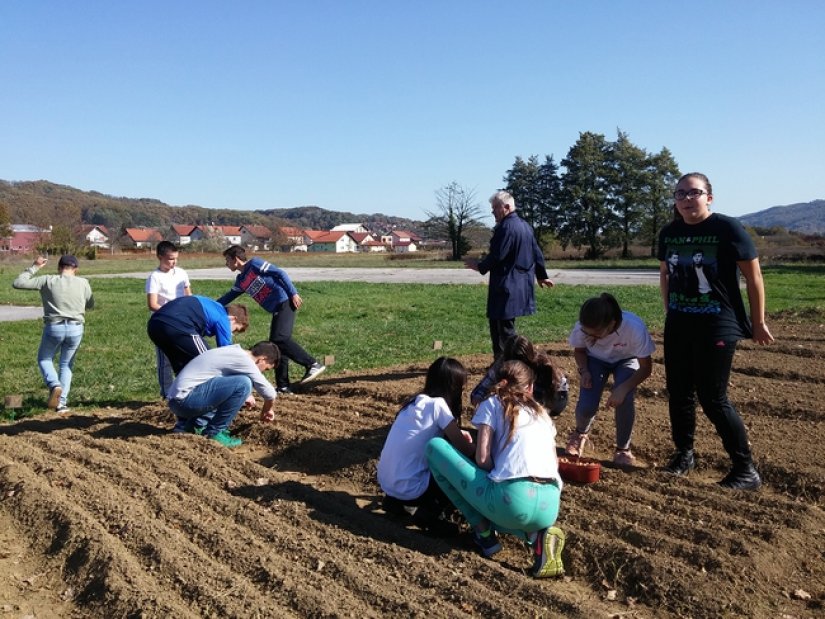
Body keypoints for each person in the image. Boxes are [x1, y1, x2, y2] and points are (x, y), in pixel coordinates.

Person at [658, 172, 774, 491]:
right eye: (680, 194)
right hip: (680, 323)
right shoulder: (669, 232)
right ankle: (684, 455)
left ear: (709, 197)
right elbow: (665, 273)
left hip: (717, 323)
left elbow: (754, 279)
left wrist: (758, 321)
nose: (685, 199)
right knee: (679, 393)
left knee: (713, 397)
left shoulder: (727, 229)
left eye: (693, 193)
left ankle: (745, 468)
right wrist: (670, 310)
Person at [426, 360, 565, 578]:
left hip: (512, 501)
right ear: (530, 388)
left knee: (435, 448)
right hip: (550, 505)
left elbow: (482, 459)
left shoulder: (491, 404)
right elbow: (554, 464)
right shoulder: (542, 414)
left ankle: (483, 532)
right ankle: (538, 537)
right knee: (513, 509)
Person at [377, 357, 474, 533]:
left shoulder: (412, 403)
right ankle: (430, 515)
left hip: (387, 483)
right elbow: (464, 449)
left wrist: (457, 433)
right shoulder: (438, 405)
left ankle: (394, 502)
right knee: (453, 467)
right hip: (412, 489)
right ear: (453, 387)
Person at [218, 245, 325, 393]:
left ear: (235, 259)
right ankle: (283, 385)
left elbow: (280, 273)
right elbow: (229, 296)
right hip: (276, 308)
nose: (226, 264)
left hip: (285, 301)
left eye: (227, 260)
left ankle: (312, 364)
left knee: (279, 338)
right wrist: (211, 306)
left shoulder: (254, 264)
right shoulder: (241, 279)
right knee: (277, 343)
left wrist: (293, 293)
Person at [565, 292, 655, 467]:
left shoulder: (634, 328)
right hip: (595, 360)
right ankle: (580, 434)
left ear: (612, 324)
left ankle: (623, 449)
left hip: (626, 359)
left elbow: (646, 368)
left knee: (625, 399)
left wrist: (623, 388)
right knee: (587, 404)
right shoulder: (583, 327)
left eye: (597, 335)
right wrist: (584, 371)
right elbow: (580, 351)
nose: (592, 337)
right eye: (587, 333)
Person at [464, 191, 554, 358]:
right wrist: (541, 275)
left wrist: (480, 266)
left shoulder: (505, 228)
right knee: (499, 324)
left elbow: (498, 255)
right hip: (520, 286)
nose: (492, 212)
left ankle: (513, 362)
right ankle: (502, 361)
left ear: (506, 207)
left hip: (505, 287)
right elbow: (537, 252)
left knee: (503, 329)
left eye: (495, 208)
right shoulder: (525, 226)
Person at [13, 255, 94, 412]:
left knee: (44, 358)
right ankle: (62, 403)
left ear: (59, 268)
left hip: (54, 326)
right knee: (66, 364)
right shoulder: (83, 282)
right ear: (76, 269)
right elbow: (90, 304)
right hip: (76, 327)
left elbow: (18, 283)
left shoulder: (47, 280)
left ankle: (54, 385)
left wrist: (35, 266)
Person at [165, 341, 280, 447]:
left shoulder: (233, 352)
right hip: (184, 402)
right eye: (266, 368)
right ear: (262, 360)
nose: (263, 372)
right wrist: (267, 409)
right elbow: (270, 393)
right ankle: (214, 432)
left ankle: (194, 424)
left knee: (241, 384)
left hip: (178, 400)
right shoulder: (245, 361)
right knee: (244, 383)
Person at [146, 294, 249, 376]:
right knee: (207, 361)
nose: (231, 333)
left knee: (183, 367)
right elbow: (226, 351)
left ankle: (177, 396)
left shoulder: (213, 305)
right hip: (178, 324)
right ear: (233, 318)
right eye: (235, 329)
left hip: (154, 325)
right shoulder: (223, 317)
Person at [470, 334, 569, 417]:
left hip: (555, 399)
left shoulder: (543, 367)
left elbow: (553, 395)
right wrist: (484, 405)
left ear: (529, 359)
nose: (514, 368)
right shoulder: (501, 365)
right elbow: (477, 394)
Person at [146, 241, 192, 398]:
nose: (174, 262)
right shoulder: (155, 277)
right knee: (164, 361)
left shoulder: (181, 273)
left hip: (182, 322)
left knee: (184, 357)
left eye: (176, 259)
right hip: (164, 324)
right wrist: (171, 312)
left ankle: (184, 391)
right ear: (160, 257)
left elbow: (188, 295)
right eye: (170, 259)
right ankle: (167, 393)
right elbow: (152, 304)